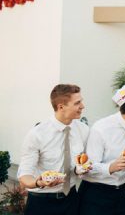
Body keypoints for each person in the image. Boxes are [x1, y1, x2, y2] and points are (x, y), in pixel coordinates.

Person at [79, 80, 125, 215]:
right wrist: (110, 167)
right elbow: (86, 168)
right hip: (95, 195)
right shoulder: (101, 129)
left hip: (121, 194)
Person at [18, 84, 90, 215]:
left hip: (72, 199)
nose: (82, 106)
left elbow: (82, 162)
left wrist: (80, 169)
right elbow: (24, 175)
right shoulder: (37, 134)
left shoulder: (84, 130)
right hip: (41, 204)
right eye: (77, 103)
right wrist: (39, 182)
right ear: (61, 107)